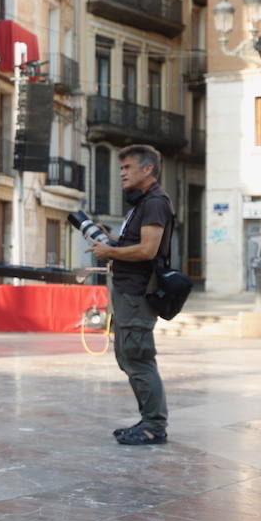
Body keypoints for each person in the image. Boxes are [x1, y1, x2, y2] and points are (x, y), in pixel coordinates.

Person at [88, 144, 175, 446]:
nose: (122, 173)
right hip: (127, 292)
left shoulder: (154, 203)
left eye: (127, 167)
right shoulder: (142, 205)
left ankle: (154, 426)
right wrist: (110, 240)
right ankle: (148, 419)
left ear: (147, 169)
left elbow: (148, 250)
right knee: (127, 356)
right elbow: (135, 247)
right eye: (120, 168)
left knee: (138, 357)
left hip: (138, 293)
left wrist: (110, 250)